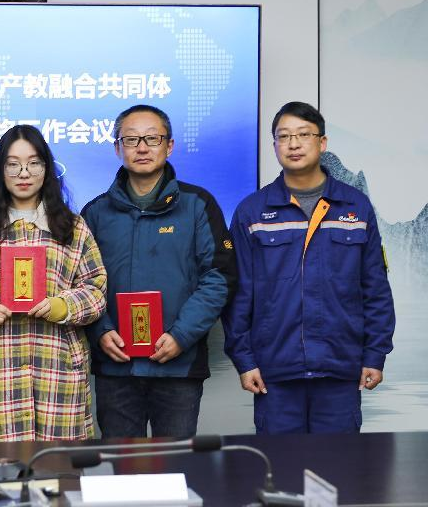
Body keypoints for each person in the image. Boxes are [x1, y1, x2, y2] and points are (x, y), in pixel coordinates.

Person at [223, 101, 395, 434]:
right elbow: (239, 294)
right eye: (284, 136)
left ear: (322, 142)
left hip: (340, 368)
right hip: (275, 372)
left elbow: (375, 288)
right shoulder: (252, 212)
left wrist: (375, 354)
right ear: (274, 145)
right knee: (279, 463)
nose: (293, 144)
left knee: (339, 462)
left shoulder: (356, 207)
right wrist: (244, 360)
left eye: (303, 134)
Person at [81, 104, 236, 439]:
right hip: (116, 366)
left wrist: (181, 335)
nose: (142, 147)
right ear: (117, 148)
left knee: (176, 461)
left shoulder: (198, 204)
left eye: (152, 138)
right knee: (122, 464)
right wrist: (101, 332)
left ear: (170, 146)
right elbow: (81, 285)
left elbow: (219, 276)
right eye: (131, 139)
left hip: (177, 365)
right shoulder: (95, 213)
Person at [0, 124, 107, 441]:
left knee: (59, 466)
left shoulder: (73, 228)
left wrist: (63, 306)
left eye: (34, 163)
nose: (24, 173)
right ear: (0, 170)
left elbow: (96, 290)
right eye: (13, 164)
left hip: (57, 369)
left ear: (46, 169)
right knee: (1, 466)